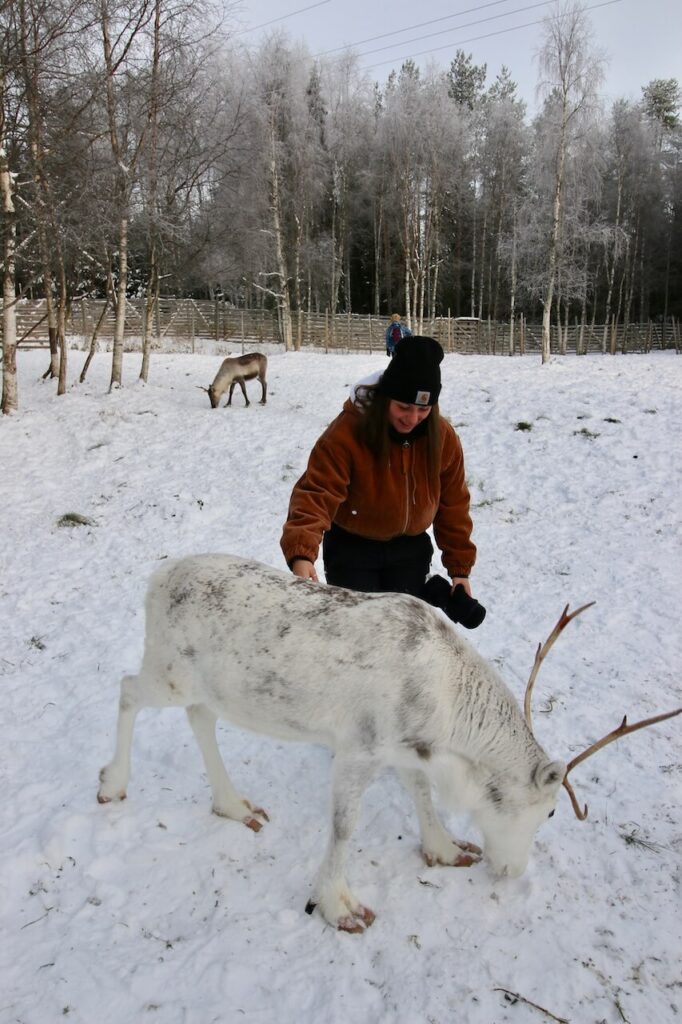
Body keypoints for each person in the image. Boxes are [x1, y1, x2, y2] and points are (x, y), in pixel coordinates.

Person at [280, 336, 485, 628]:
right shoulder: (347, 433)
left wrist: (459, 568)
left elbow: (453, 504)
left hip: (409, 552)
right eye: (403, 406)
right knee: (361, 636)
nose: (412, 418)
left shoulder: (442, 437)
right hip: (352, 552)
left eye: (423, 409)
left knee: (403, 635)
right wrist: (302, 553)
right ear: (387, 395)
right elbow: (317, 492)